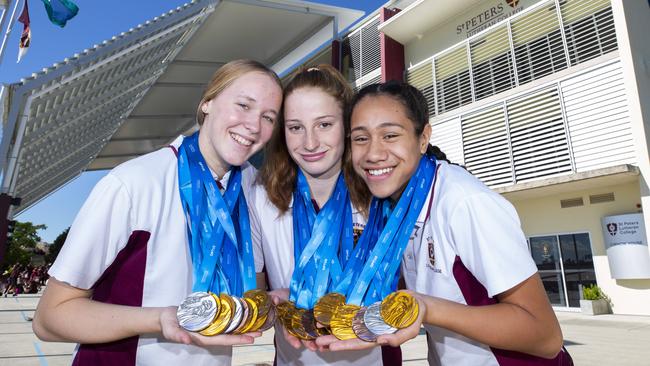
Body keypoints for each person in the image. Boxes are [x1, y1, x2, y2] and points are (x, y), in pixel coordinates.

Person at [32, 59, 283, 366]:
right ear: (208, 103)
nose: (254, 125)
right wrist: (161, 319)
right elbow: (49, 317)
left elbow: (248, 291)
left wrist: (267, 306)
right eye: (244, 105)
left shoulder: (251, 190)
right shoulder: (133, 183)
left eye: (269, 117)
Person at [317, 81, 572, 365]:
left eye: (390, 135)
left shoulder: (465, 203)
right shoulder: (396, 206)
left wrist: (427, 308)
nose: (374, 153)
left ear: (423, 138)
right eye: (360, 138)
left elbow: (546, 336)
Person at [250, 65, 399, 365]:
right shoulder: (261, 197)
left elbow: (409, 288)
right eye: (295, 127)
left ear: (347, 125)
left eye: (324, 124)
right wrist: (273, 302)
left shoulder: (381, 191)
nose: (310, 143)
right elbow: (252, 293)